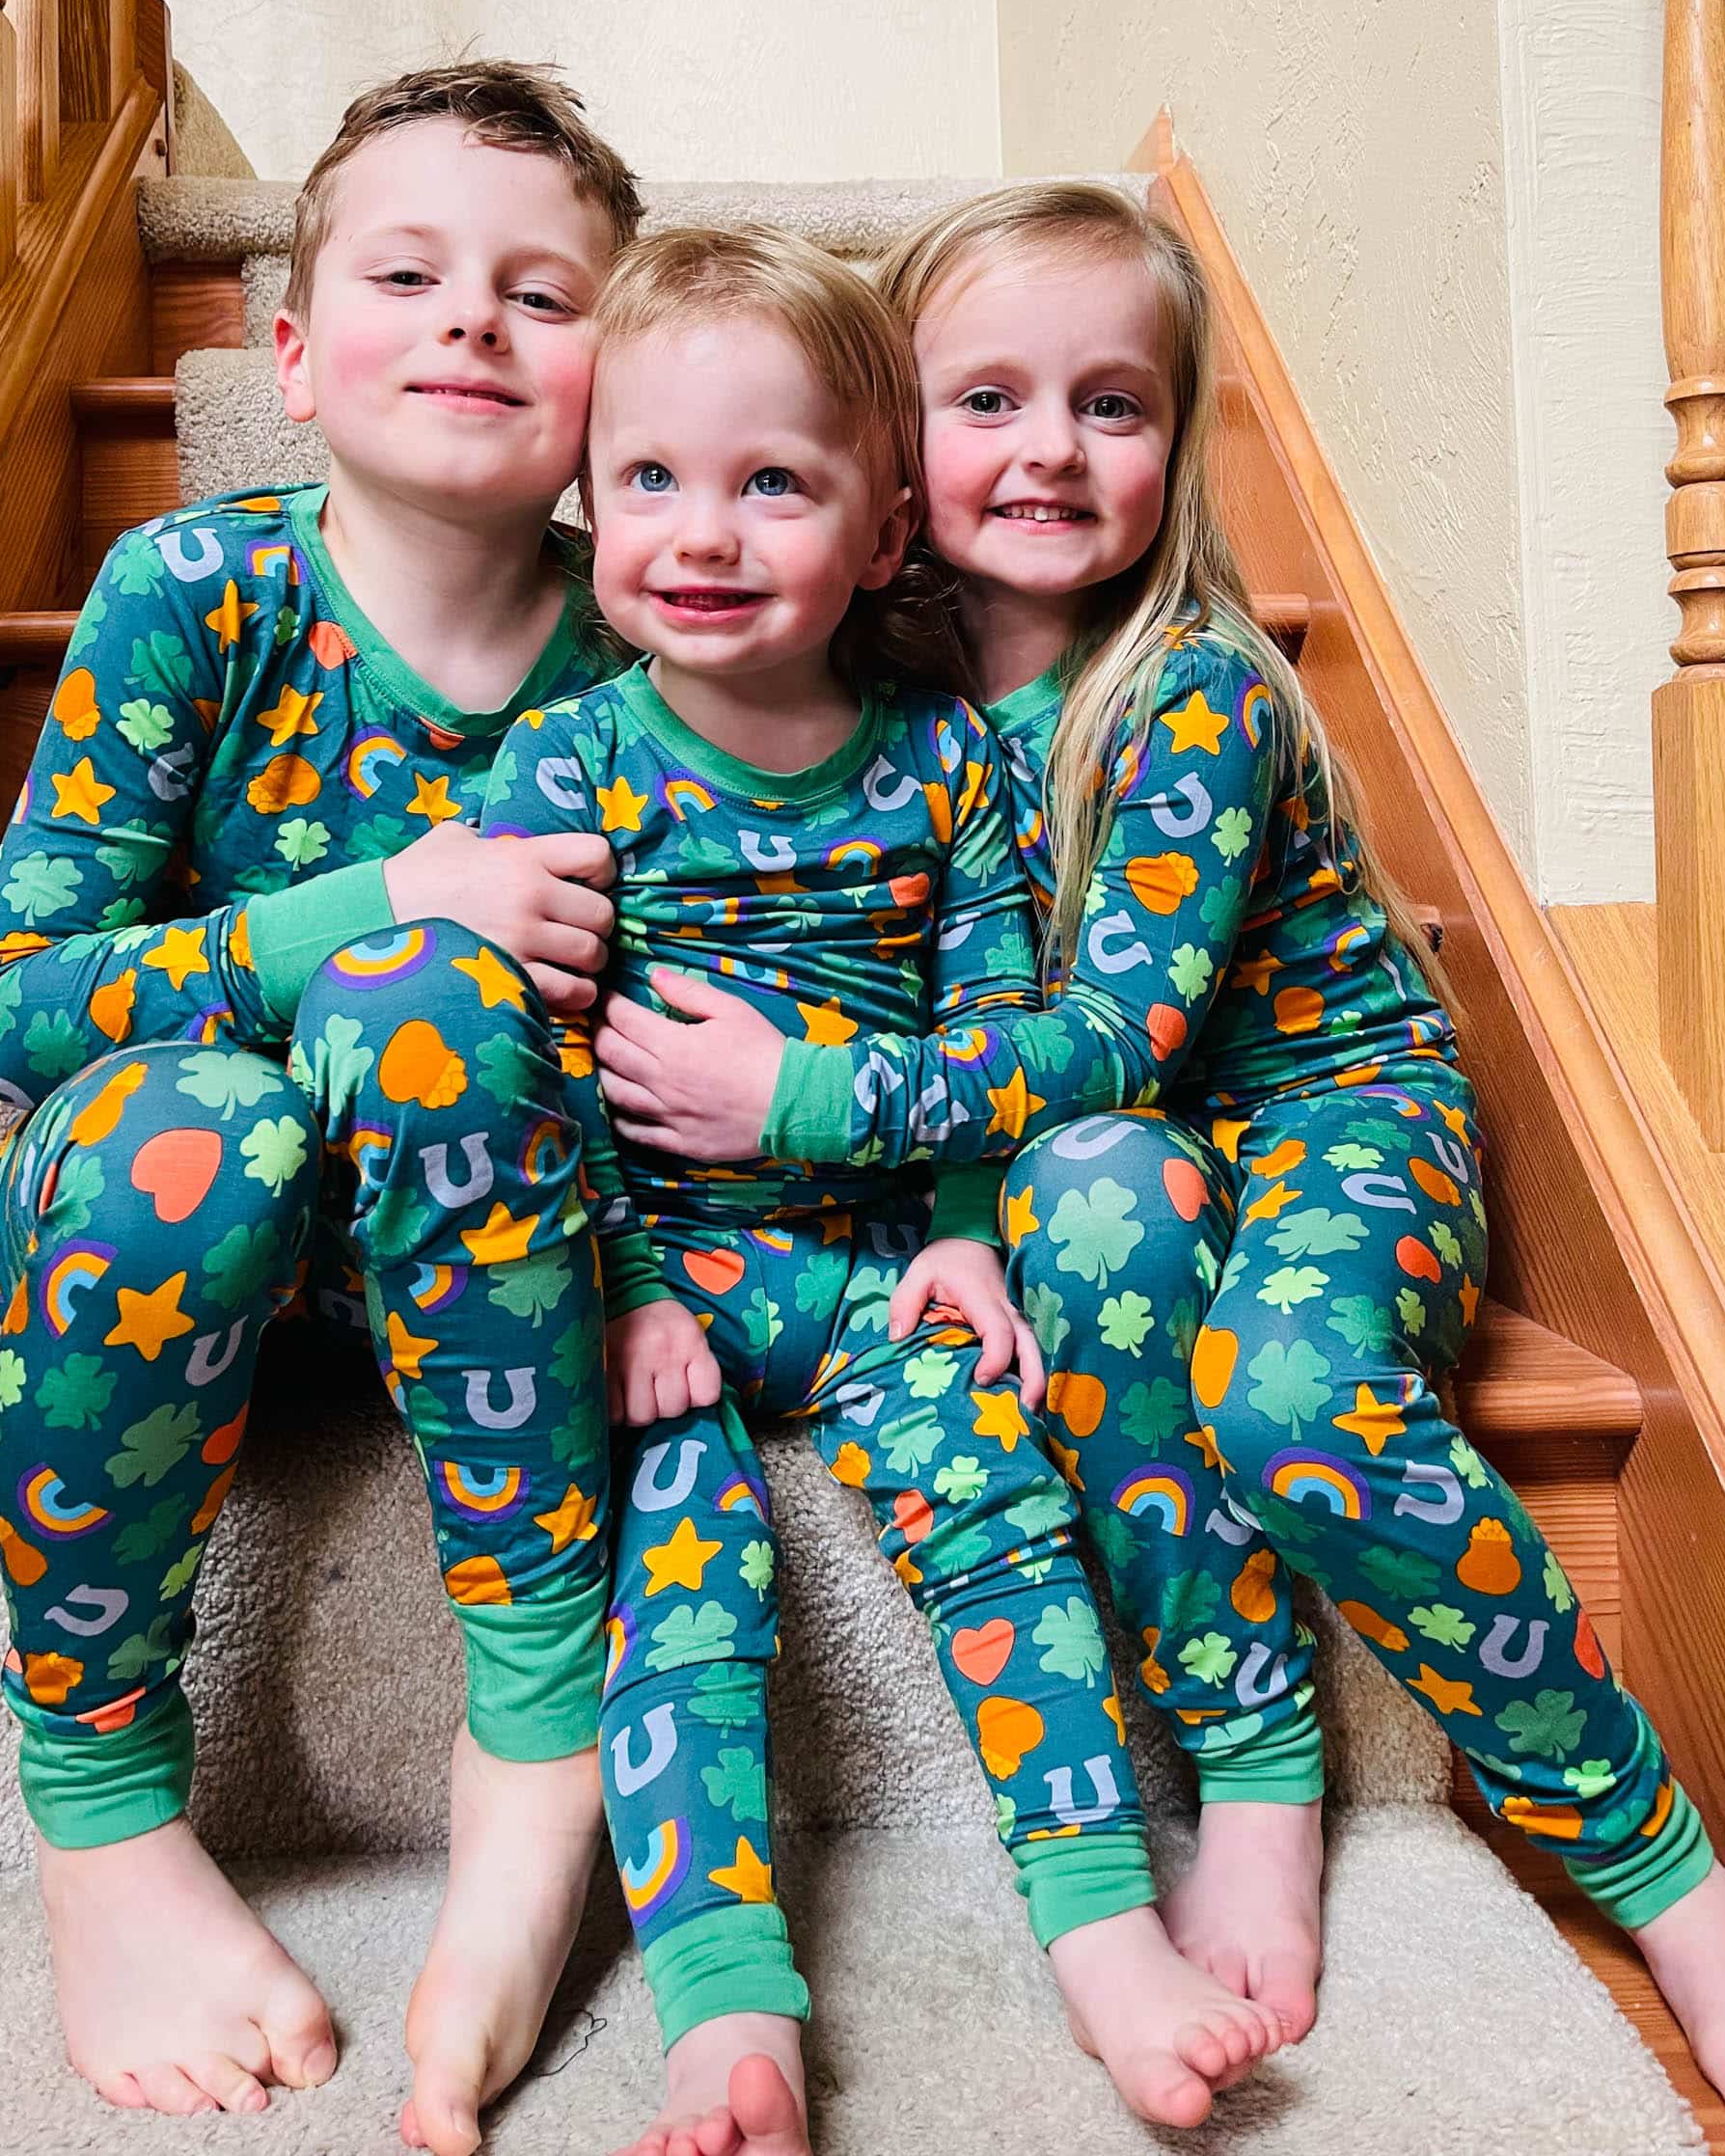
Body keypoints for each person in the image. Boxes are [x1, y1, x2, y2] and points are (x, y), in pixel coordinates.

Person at [592, 180, 1725, 2154]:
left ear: (1180, 439)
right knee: (1094, 1198)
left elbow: (1109, 1037)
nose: (1053, 449)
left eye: (1115, 404)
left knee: (1293, 1393)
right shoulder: (861, 681)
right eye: (987, 399)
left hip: (1338, 1113)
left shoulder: (1194, 686)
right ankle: (1250, 1735)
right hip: (1105, 1160)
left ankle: (1660, 1873)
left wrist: (799, 1103)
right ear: (888, 460)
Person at [480, 221, 1292, 2156]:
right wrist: (618, 1286)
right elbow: (521, 1055)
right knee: (683, 1589)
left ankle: (1105, 1935)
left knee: (1004, 1498)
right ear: (587, 510)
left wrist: (965, 1238)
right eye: (650, 479)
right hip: (655, 1285)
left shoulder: (945, 766)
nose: (703, 532)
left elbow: (989, 1014)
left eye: (774, 484)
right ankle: (725, 2016)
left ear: (882, 533)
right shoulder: (564, 764)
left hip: (873, 1274)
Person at [0, 63, 638, 2149]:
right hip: (164, 1221)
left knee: (431, 1013)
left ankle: (536, 1746)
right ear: (287, 357)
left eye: (544, 293)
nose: (473, 319)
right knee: (223, 1120)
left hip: (503, 1231)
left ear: (618, 379)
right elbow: (17, 1007)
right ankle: (100, 1807)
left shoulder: (658, 638)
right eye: (408, 275)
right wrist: (381, 901)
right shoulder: (190, 593)